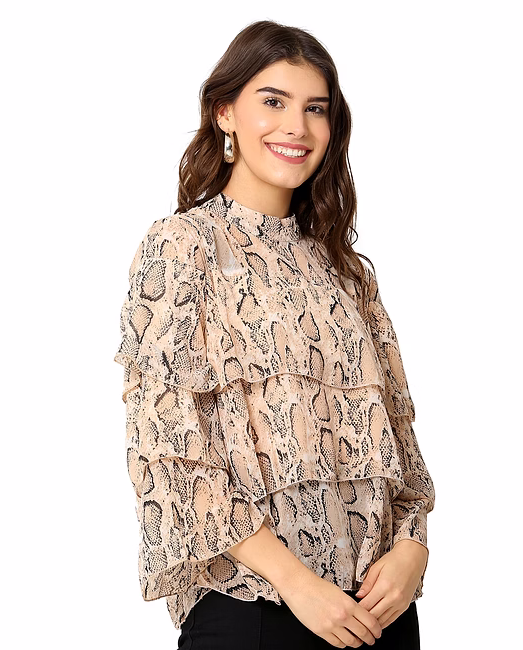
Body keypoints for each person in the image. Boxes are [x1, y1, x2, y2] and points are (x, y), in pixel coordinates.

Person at [113, 19, 435, 650]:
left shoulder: (348, 271)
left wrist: (412, 548)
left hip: (380, 616)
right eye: (273, 101)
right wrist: (297, 583)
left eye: (315, 108)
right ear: (224, 112)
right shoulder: (182, 247)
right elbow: (165, 446)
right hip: (255, 610)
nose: (297, 127)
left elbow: (399, 436)